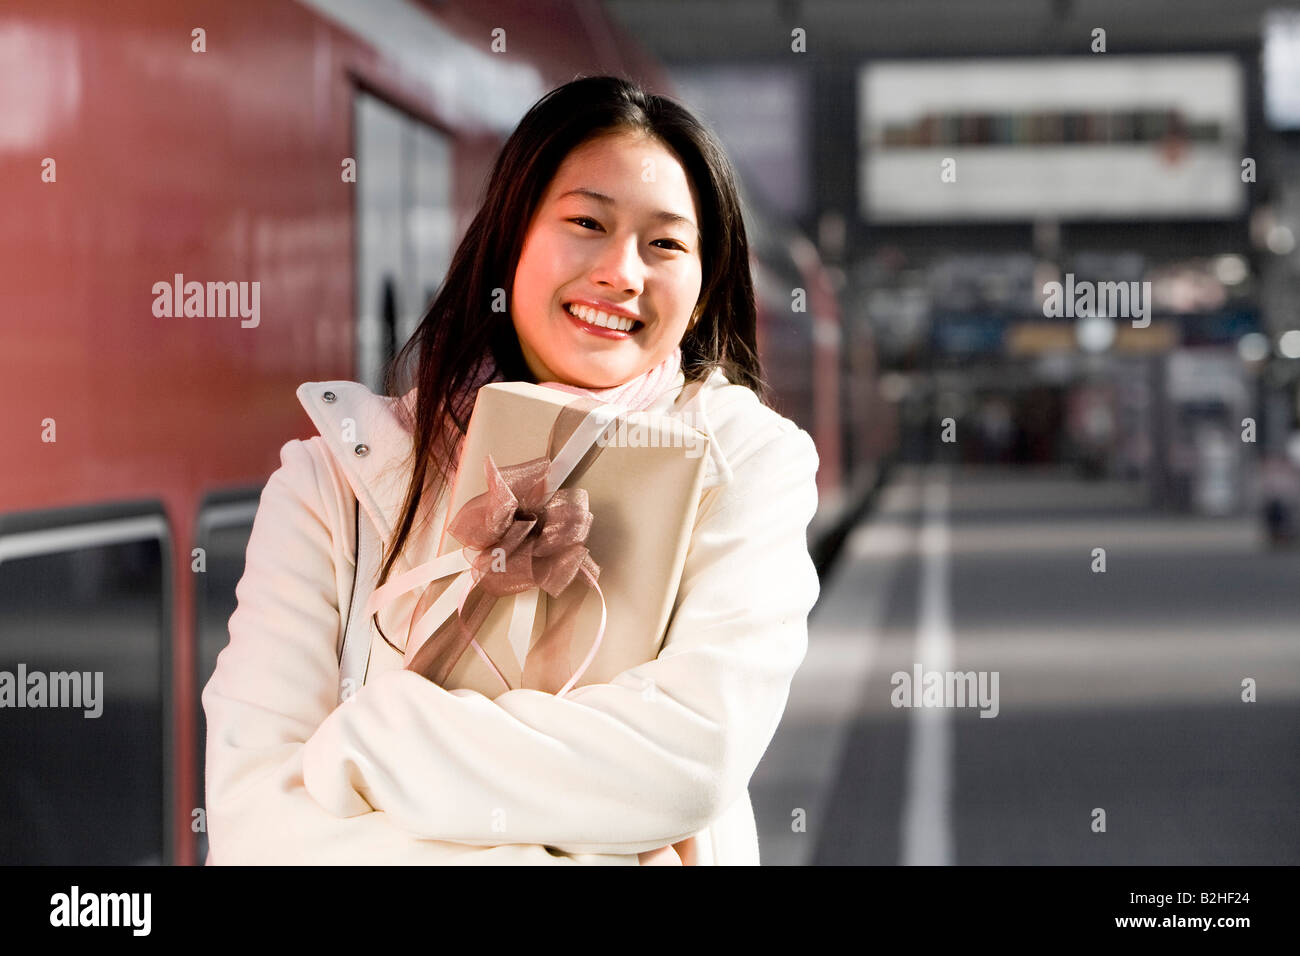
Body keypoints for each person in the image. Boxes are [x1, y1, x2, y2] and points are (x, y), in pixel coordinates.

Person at [201, 75, 821, 865]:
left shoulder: (748, 465)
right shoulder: (327, 489)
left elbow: (691, 762)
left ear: (701, 296)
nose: (622, 272)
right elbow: (256, 830)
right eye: (587, 222)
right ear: (510, 244)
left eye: (665, 243)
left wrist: (372, 739)